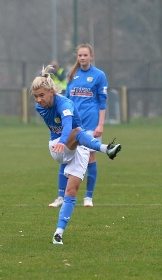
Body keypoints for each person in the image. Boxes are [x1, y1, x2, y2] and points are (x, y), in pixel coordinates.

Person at [31, 65, 121, 245]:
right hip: (58, 146)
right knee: (78, 131)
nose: (38, 100)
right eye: (36, 96)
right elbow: (67, 127)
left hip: (76, 148)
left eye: (41, 95)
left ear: (51, 91)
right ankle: (105, 149)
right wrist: (63, 142)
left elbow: (67, 122)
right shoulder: (42, 107)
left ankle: (58, 233)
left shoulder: (65, 103)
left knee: (71, 192)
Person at [49, 45, 108, 208]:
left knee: (90, 157)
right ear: (77, 57)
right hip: (73, 124)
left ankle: (88, 197)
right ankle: (61, 196)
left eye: (85, 55)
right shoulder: (71, 74)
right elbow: (65, 99)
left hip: (90, 122)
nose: (82, 58)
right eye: (80, 55)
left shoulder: (99, 75)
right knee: (66, 155)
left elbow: (102, 102)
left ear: (91, 56)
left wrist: (100, 124)